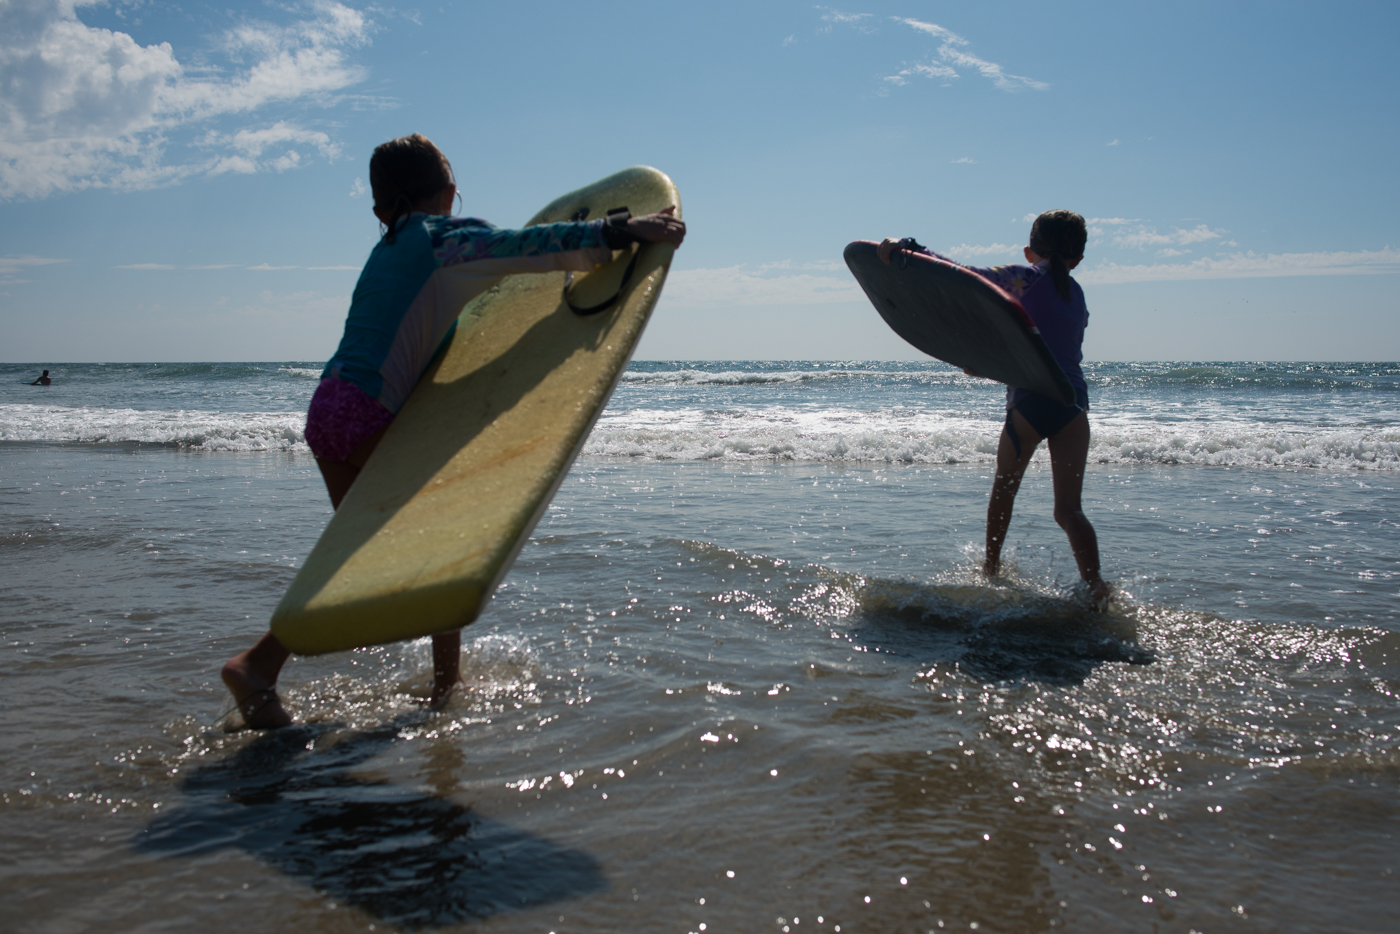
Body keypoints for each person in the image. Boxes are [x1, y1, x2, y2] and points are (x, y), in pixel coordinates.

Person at [223, 133, 686, 729]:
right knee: (428, 553)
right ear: (446, 193)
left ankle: (274, 667)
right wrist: (621, 232)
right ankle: (422, 682)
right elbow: (528, 248)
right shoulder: (442, 240)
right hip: (370, 414)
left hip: (328, 409)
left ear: (379, 210)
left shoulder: (384, 250)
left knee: (372, 558)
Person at [877, 210, 1110, 604]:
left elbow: (963, 276)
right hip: (1074, 407)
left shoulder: (1025, 276)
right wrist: (988, 363)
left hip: (1030, 402)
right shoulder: (1078, 295)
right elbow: (1048, 346)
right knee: (1069, 510)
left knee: (1004, 492)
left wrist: (910, 250)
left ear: (1028, 249)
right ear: (1078, 260)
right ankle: (1097, 588)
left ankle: (991, 571)